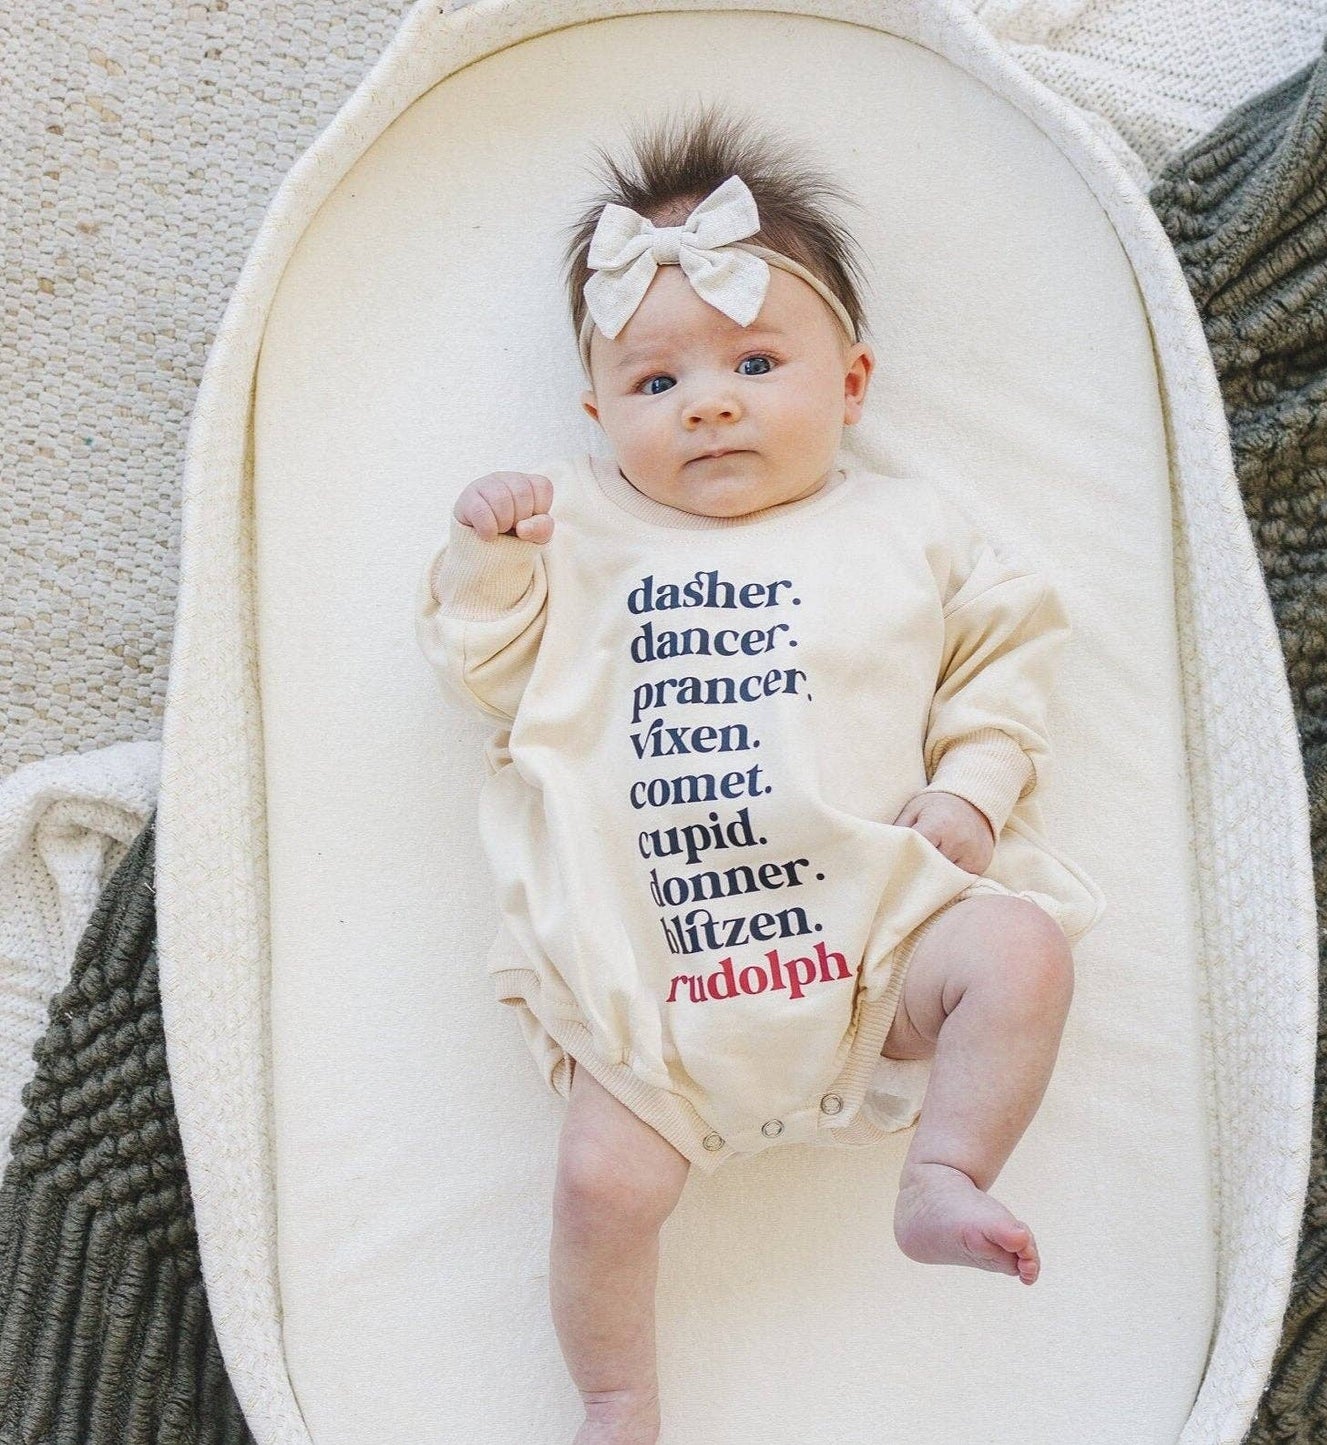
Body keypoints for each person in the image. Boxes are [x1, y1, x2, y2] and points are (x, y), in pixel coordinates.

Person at [415, 102, 1105, 1445]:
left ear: (849, 382)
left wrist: (968, 789)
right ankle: (617, 1398)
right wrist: (489, 556)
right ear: (598, 411)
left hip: (871, 934)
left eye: (754, 360)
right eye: (656, 383)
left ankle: (946, 1168)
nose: (710, 400)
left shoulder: (909, 526)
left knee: (1018, 954)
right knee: (600, 1191)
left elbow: (1004, 664)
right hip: (651, 983)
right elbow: (481, 666)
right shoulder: (581, 527)